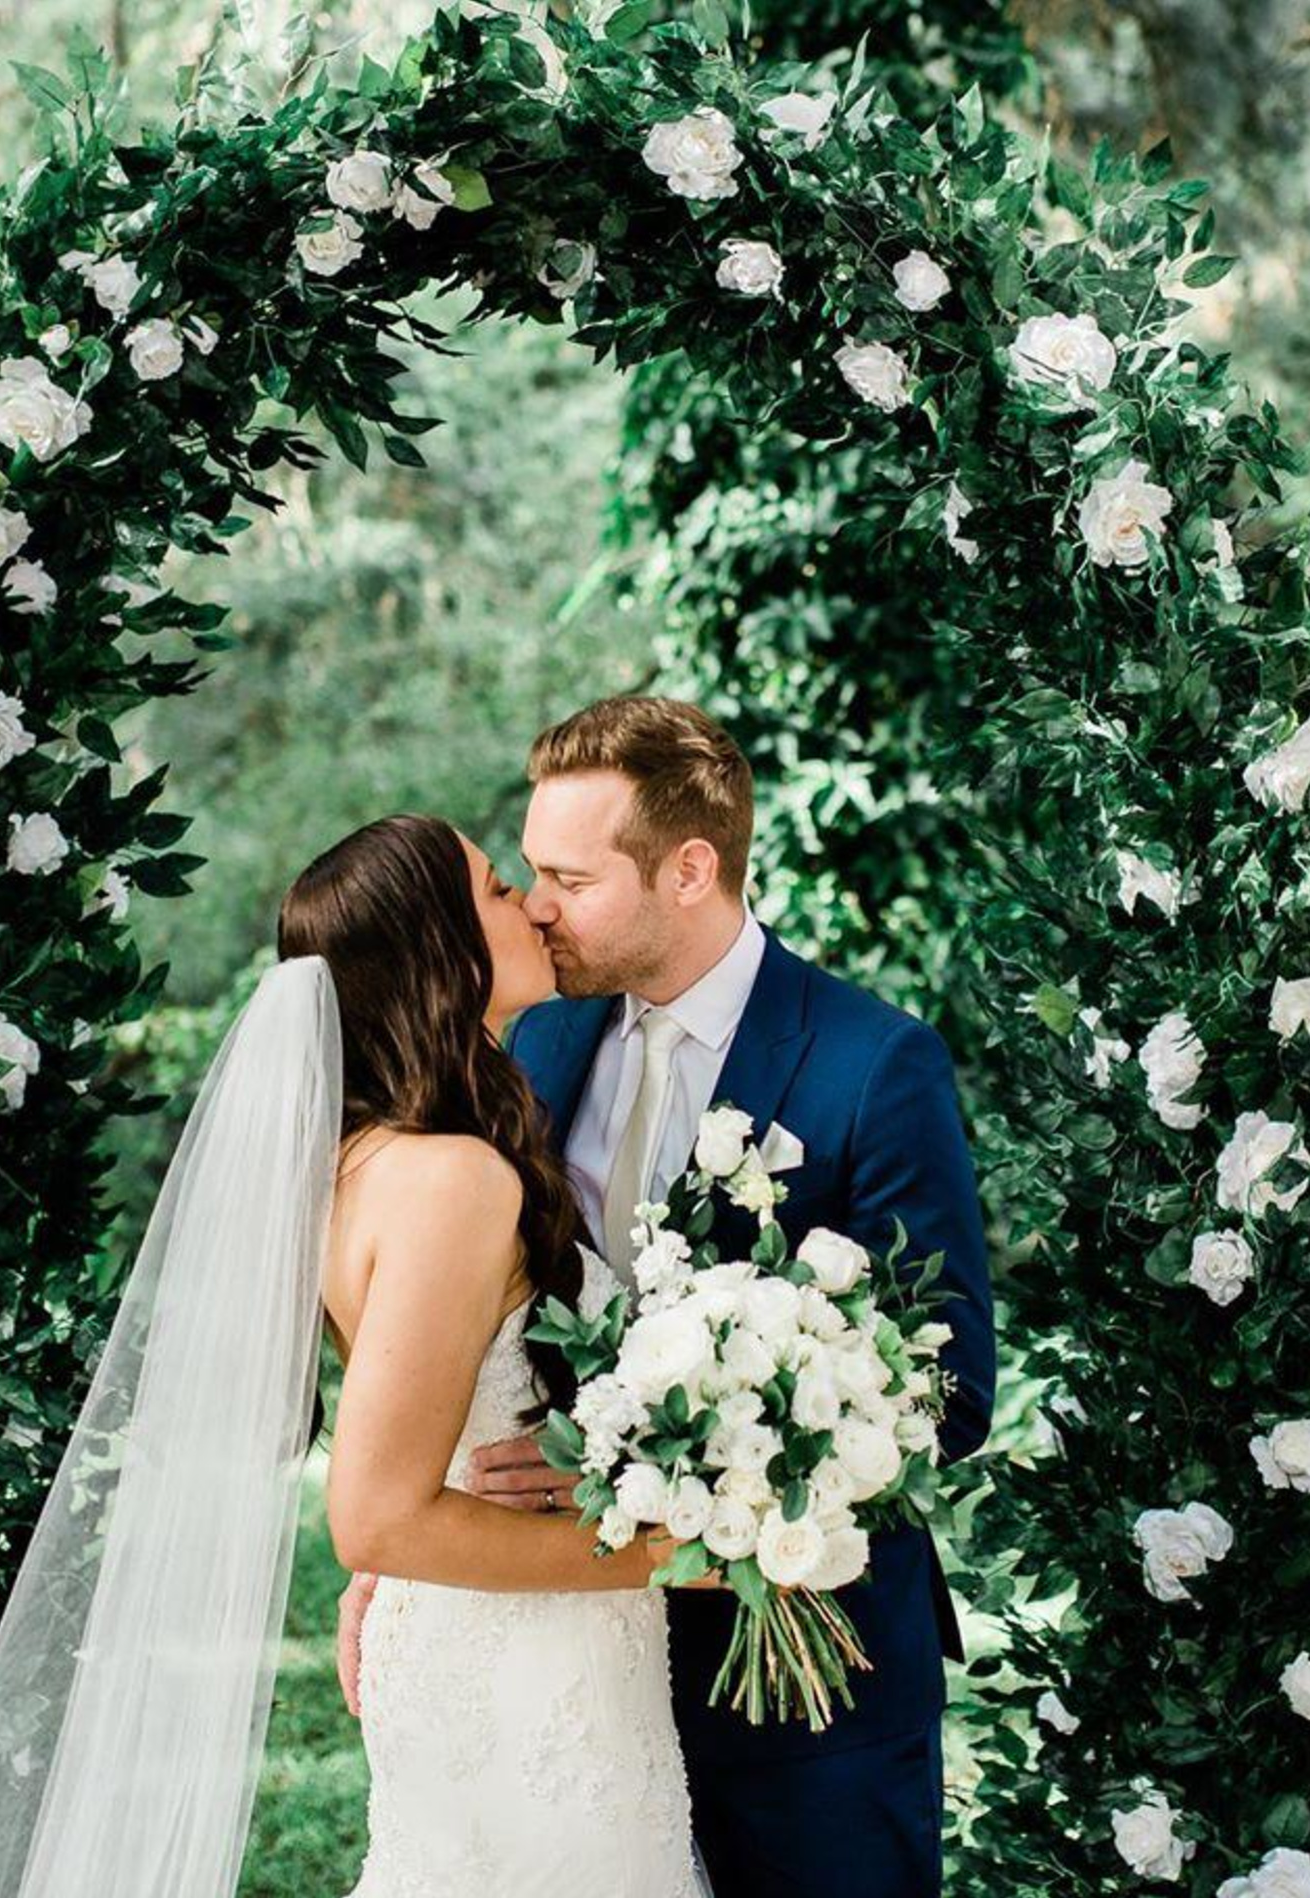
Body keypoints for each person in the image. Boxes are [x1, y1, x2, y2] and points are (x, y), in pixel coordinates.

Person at [0, 811, 712, 1898]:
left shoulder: (370, 1161)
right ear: (437, 946)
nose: (525, 899)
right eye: (490, 888)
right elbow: (374, 1512)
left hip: (513, 1632)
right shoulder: (447, 1180)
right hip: (516, 1666)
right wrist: (669, 1548)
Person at [338, 698, 998, 1898]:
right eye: (527, 873)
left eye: (568, 877)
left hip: (801, 1670)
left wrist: (677, 1489)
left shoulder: (873, 1063)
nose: (537, 905)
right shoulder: (528, 1043)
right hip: (570, 1661)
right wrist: (412, 1548)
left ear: (688, 868)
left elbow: (943, 1392)